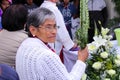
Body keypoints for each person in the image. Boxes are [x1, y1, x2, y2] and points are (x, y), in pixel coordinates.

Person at [16, 7, 88, 80]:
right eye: (48, 27)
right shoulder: (47, 56)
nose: (54, 31)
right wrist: (81, 60)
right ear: (33, 30)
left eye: (55, 26)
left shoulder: (25, 44)